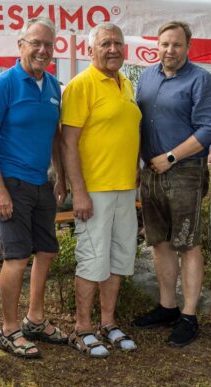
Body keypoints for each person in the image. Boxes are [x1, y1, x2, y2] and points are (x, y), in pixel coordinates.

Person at [0, 17, 67, 359]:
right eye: (36, 43)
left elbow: (56, 137)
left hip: (41, 182)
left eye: (49, 44)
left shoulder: (53, 87)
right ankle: (9, 329)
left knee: (46, 251)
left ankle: (34, 319)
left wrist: (59, 175)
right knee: (16, 258)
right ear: (21, 45)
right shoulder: (4, 84)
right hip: (10, 182)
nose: (43, 50)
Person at [133, 21, 211, 347]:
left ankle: (189, 315)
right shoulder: (145, 77)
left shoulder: (202, 80)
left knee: (188, 243)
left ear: (188, 47)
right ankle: (167, 306)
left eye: (177, 45)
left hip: (184, 170)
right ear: (157, 45)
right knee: (160, 242)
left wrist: (170, 157)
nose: (170, 50)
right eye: (165, 44)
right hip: (150, 172)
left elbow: (209, 129)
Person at [61, 22, 141, 358]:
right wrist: (77, 191)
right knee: (92, 260)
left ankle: (108, 322)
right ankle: (83, 327)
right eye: (105, 43)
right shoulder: (81, 85)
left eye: (117, 44)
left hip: (125, 188)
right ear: (90, 49)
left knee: (118, 258)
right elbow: (68, 143)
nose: (112, 49)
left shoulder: (127, 84)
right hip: (94, 189)